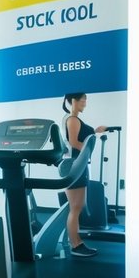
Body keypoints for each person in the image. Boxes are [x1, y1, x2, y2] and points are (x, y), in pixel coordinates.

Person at [61, 92, 106, 258]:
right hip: (74, 165)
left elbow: (81, 139)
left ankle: (74, 241)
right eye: (83, 100)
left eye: (86, 100)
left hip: (78, 165)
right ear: (73, 101)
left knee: (77, 206)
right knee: (76, 207)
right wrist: (88, 150)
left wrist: (95, 132)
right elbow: (74, 143)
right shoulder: (72, 119)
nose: (85, 102)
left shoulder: (74, 119)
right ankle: (76, 245)